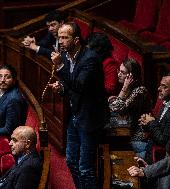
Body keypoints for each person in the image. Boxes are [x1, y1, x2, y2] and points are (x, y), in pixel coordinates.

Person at [49, 22, 108, 189]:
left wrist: (60, 66)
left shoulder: (90, 59)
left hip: (90, 118)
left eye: (64, 37)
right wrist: (61, 88)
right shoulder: (67, 56)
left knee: (85, 167)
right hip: (75, 115)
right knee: (71, 161)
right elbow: (71, 86)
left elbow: (80, 85)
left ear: (76, 40)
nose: (60, 41)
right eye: (59, 37)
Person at [108, 58, 151, 158]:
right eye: (119, 71)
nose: (118, 74)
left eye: (122, 72)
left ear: (131, 76)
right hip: (127, 128)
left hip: (137, 135)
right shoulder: (131, 89)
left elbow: (115, 108)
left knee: (108, 140)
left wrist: (123, 90)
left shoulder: (140, 91)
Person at [139, 73, 170, 159]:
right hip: (150, 146)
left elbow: (163, 141)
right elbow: (159, 128)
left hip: (158, 155)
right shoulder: (166, 102)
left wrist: (151, 122)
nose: (159, 89)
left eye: (164, 86)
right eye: (160, 85)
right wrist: (146, 123)